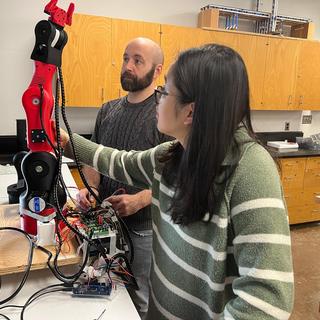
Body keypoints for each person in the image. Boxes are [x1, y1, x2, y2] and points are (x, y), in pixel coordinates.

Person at [62, 44, 294, 320]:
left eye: (164, 92)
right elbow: (120, 161)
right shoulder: (173, 155)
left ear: (190, 113)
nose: (158, 99)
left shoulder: (251, 170)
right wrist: (64, 141)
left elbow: (268, 299)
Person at [76, 37, 171, 319]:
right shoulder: (107, 110)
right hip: (104, 223)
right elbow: (94, 157)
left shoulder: (165, 113)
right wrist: (90, 187)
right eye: (126, 58)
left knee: (138, 297)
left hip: (143, 230)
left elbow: (177, 176)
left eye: (138, 60)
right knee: (104, 288)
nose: (128, 66)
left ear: (157, 70)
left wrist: (141, 199)